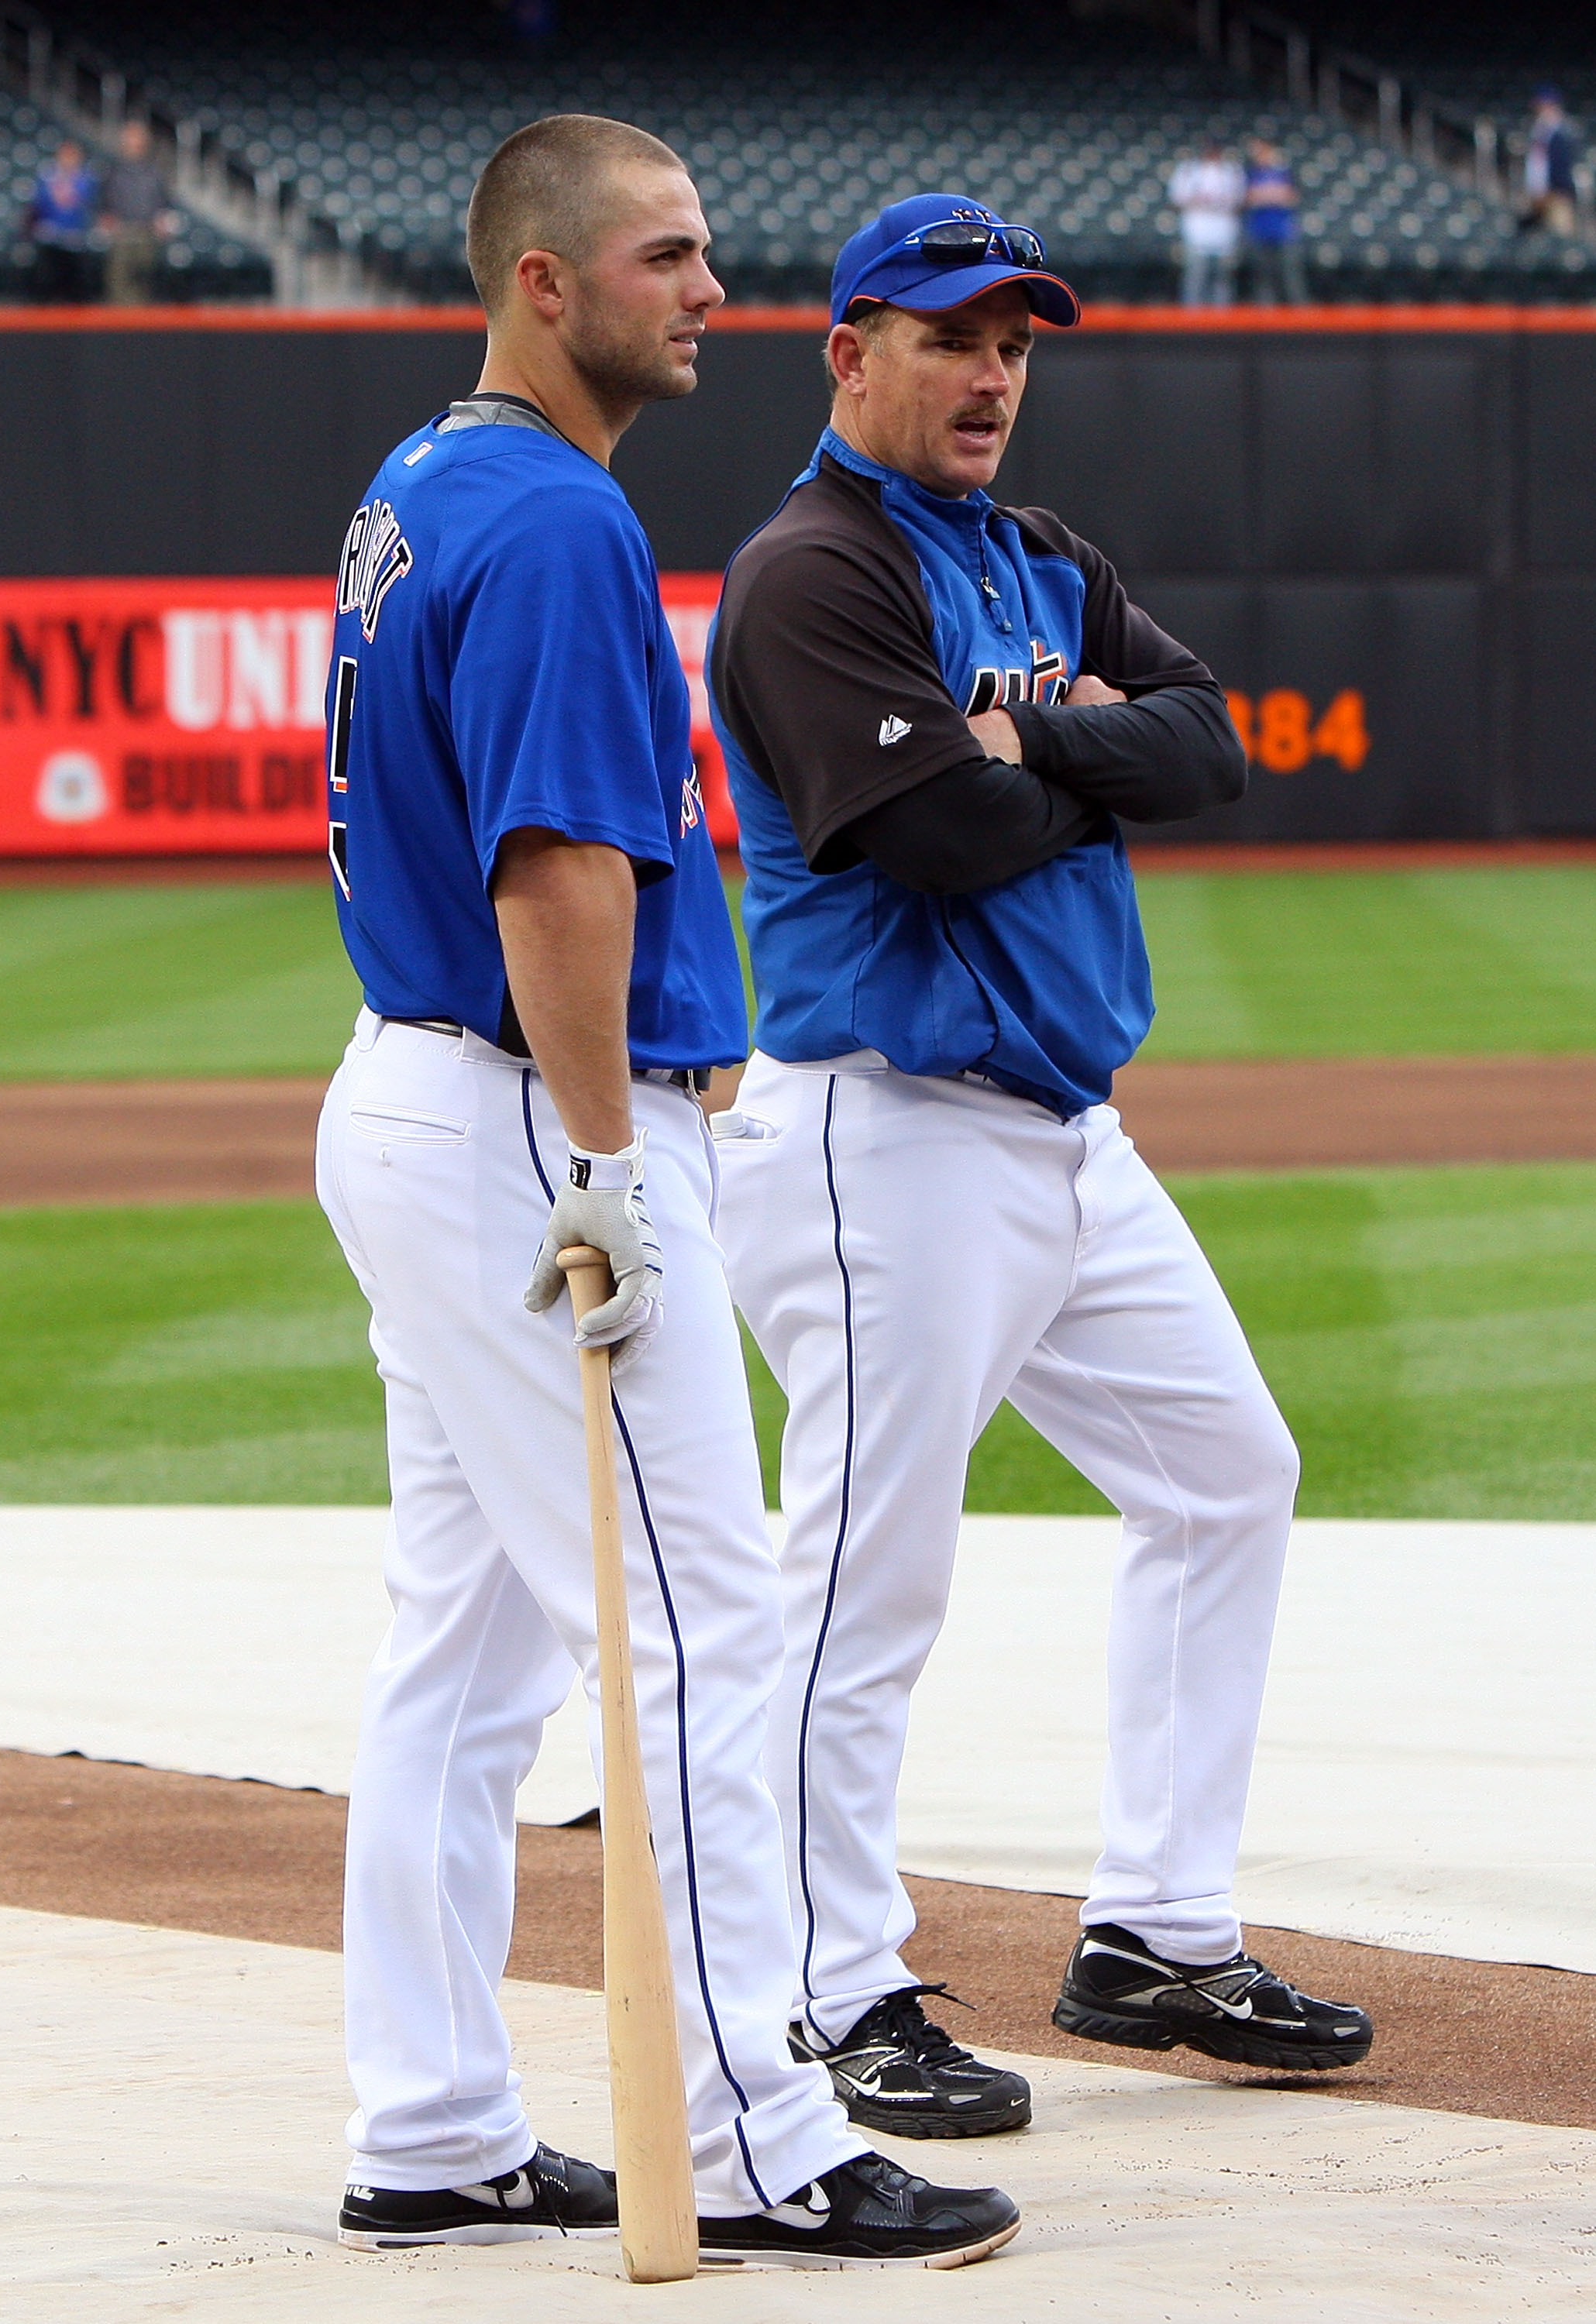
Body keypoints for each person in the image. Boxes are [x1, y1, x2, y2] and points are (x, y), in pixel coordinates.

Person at [315, 117, 1020, 2270]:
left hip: (422, 1108)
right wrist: (613, 1169)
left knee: (466, 1649)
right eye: (668, 255)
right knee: (709, 1628)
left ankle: (430, 2119)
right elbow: (557, 875)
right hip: (541, 1123)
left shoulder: (422, 486)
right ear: (545, 280)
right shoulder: (546, 523)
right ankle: (750, 2134)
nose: (713, 291)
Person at [708, 192, 1375, 2143]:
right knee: (860, 1576)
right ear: (850, 353)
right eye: (949, 334)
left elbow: (1213, 747)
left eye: (1015, 337)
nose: (993, 369)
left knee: (1225, 1474)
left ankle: (1153, 1930)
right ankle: (823, 1988)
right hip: (882, 1132)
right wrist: (1052, 742)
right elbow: (943, 836)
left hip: (1069, 1135)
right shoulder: (811, 570)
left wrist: (1040, 734)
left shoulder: (1032, 551)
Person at [99, 119, 174, 305]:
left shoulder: (155, 171)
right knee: (119, 280)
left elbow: (164, 201)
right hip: (122, 231)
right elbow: (103, 200)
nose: (135, 142)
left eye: (138, 137)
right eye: (131, 137)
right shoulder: (113, 169)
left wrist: (163, 221)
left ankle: (144, 323)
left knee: (145, 280)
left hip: (147, 231)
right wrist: (106, 219)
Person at [1168, 137, 1243, 305]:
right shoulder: (1188, 170)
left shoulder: (1232, 171)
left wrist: (1218, 201)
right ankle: (1192, 315)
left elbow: (1240, 200)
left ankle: (1223, 315)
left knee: (1223, 276)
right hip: (1197, 230)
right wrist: (1200, 200)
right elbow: (1177, 199)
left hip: (1224, 230)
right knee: (1196, 275)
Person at [26, 139, 98, 304]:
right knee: (47, 281)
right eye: (65, 155)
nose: (69, 159)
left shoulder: (86, 178)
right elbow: (39, 203)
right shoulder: (47, 177)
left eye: (73, 155)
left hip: (75, 238)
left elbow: (86, 203)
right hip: (50, 238)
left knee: (76, 286)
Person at [1243, 138, 1306, 304]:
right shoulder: (1251, 173)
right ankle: (1265, 316)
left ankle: (1298, 312)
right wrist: (1273, 195)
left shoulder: (1284, 172)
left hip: (1283, 230)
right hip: (1260, 230)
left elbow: (1291, 197)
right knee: (1263, 275)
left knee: (1290, 274)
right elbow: (1248, 199)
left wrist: (1264, 195)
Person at [1521, 90, 1577, 237]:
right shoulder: (1538, 131)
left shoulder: (1561, 132)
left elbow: (1563, 165)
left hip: (1558, 193)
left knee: (1561, 235)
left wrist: (1557, 189)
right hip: (1539, 192)